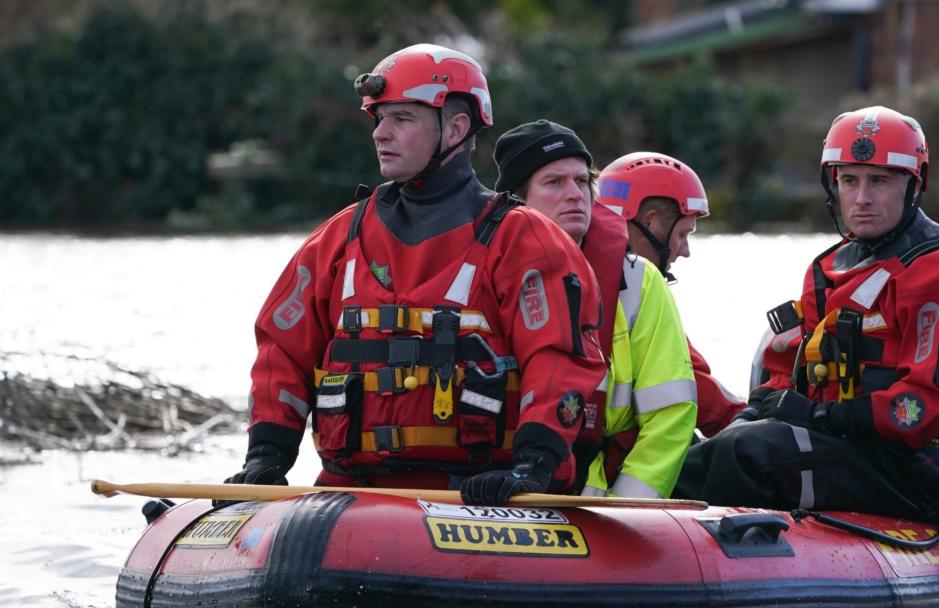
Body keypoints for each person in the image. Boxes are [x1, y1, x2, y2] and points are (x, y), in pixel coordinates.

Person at [224, 44, 606, 507]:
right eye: (378, 119)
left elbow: (559, 363)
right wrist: (267, 457)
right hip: (351, 496)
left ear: (457, 128)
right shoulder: (338, 238)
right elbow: (281, 351)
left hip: (479, 496)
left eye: (402, 119)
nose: (381, 134)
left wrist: (531, 468)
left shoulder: (525, 241)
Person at [675, 106, 939, 564]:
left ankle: (680, 556)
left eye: (879, 181)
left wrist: (816, 418)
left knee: (748, 452)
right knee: (716, 447)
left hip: (915, 467)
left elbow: (917, 409)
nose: (862, 198)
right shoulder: (828, 269)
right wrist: (765, 405)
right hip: (848, 447)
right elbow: (793, 371)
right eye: (849, 181)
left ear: (913, 184)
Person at [492, 121, 696, 498]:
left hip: (595, 495)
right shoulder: (485, 272)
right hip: (492, 488)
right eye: (555, 183)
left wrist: (629, 507)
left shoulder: (638, 281)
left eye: (583, 181)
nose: (576, 195)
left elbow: (670, 414)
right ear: (517, 200)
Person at [597, 153, 747, 439]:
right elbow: (695, 384)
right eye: (682, 234)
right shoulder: (638, 294)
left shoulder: (567, 271)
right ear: (650, 223)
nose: (685, 250)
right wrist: (752, 424)